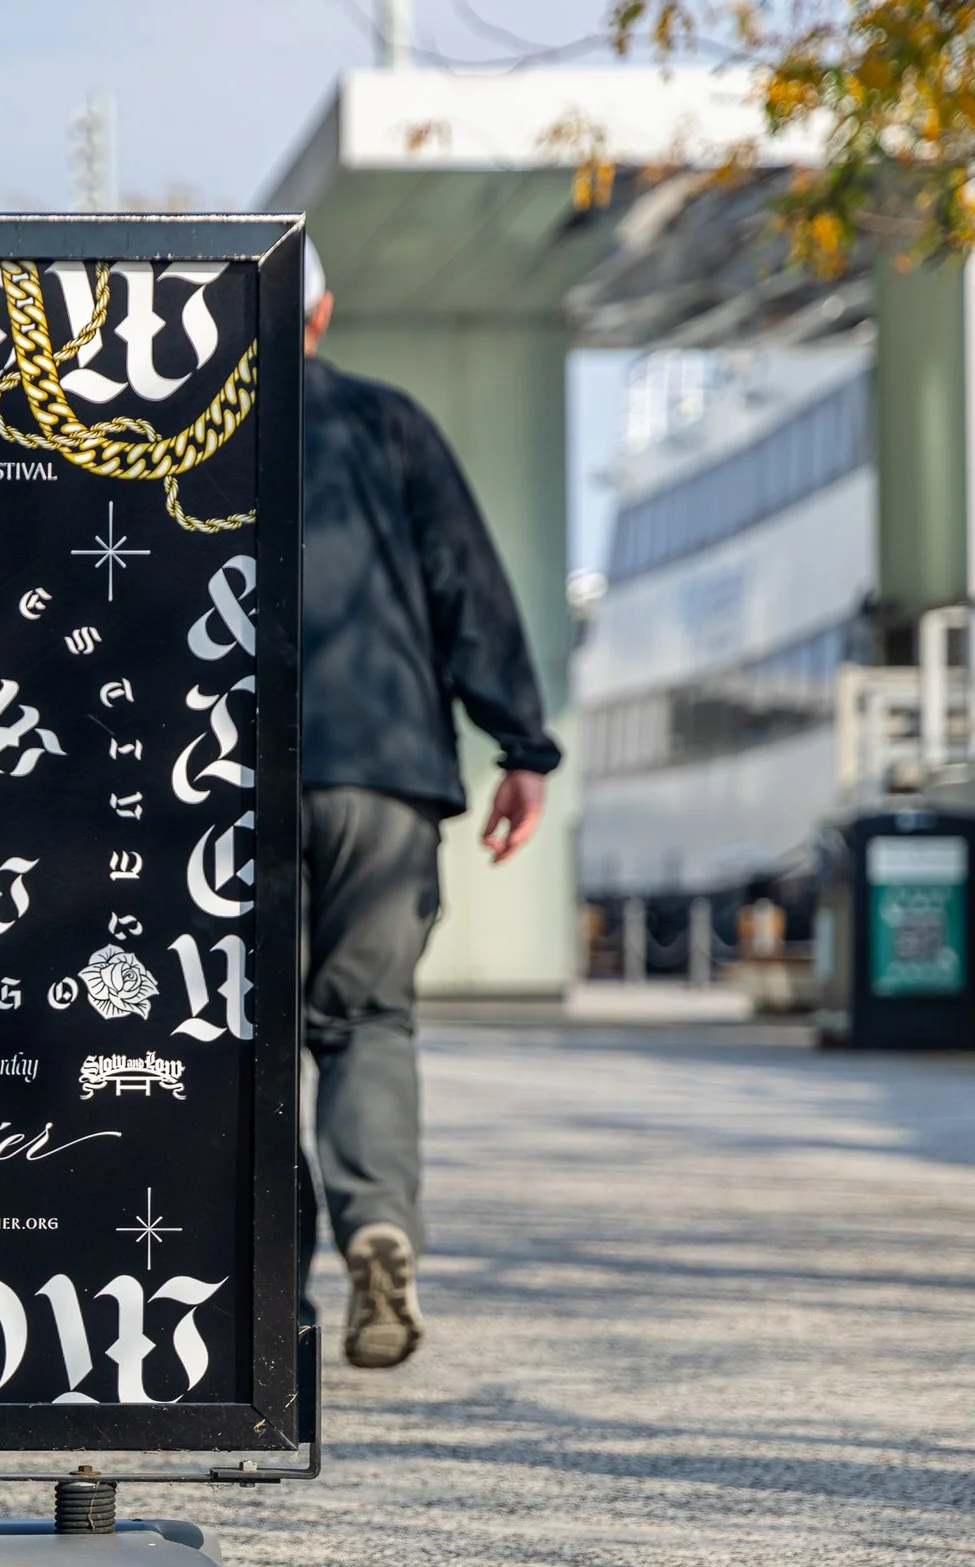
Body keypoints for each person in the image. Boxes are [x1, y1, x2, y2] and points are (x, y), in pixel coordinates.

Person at [296, 247, 562, 1370]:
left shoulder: (178, 430)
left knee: (226, 1036)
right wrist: (521, 743)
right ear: (321, 308)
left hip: (215, 784)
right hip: (387, 774)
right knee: (366, 1019)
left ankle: (248, 1290)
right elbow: (465, 581)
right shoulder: (387, 421)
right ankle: (376, 1223)